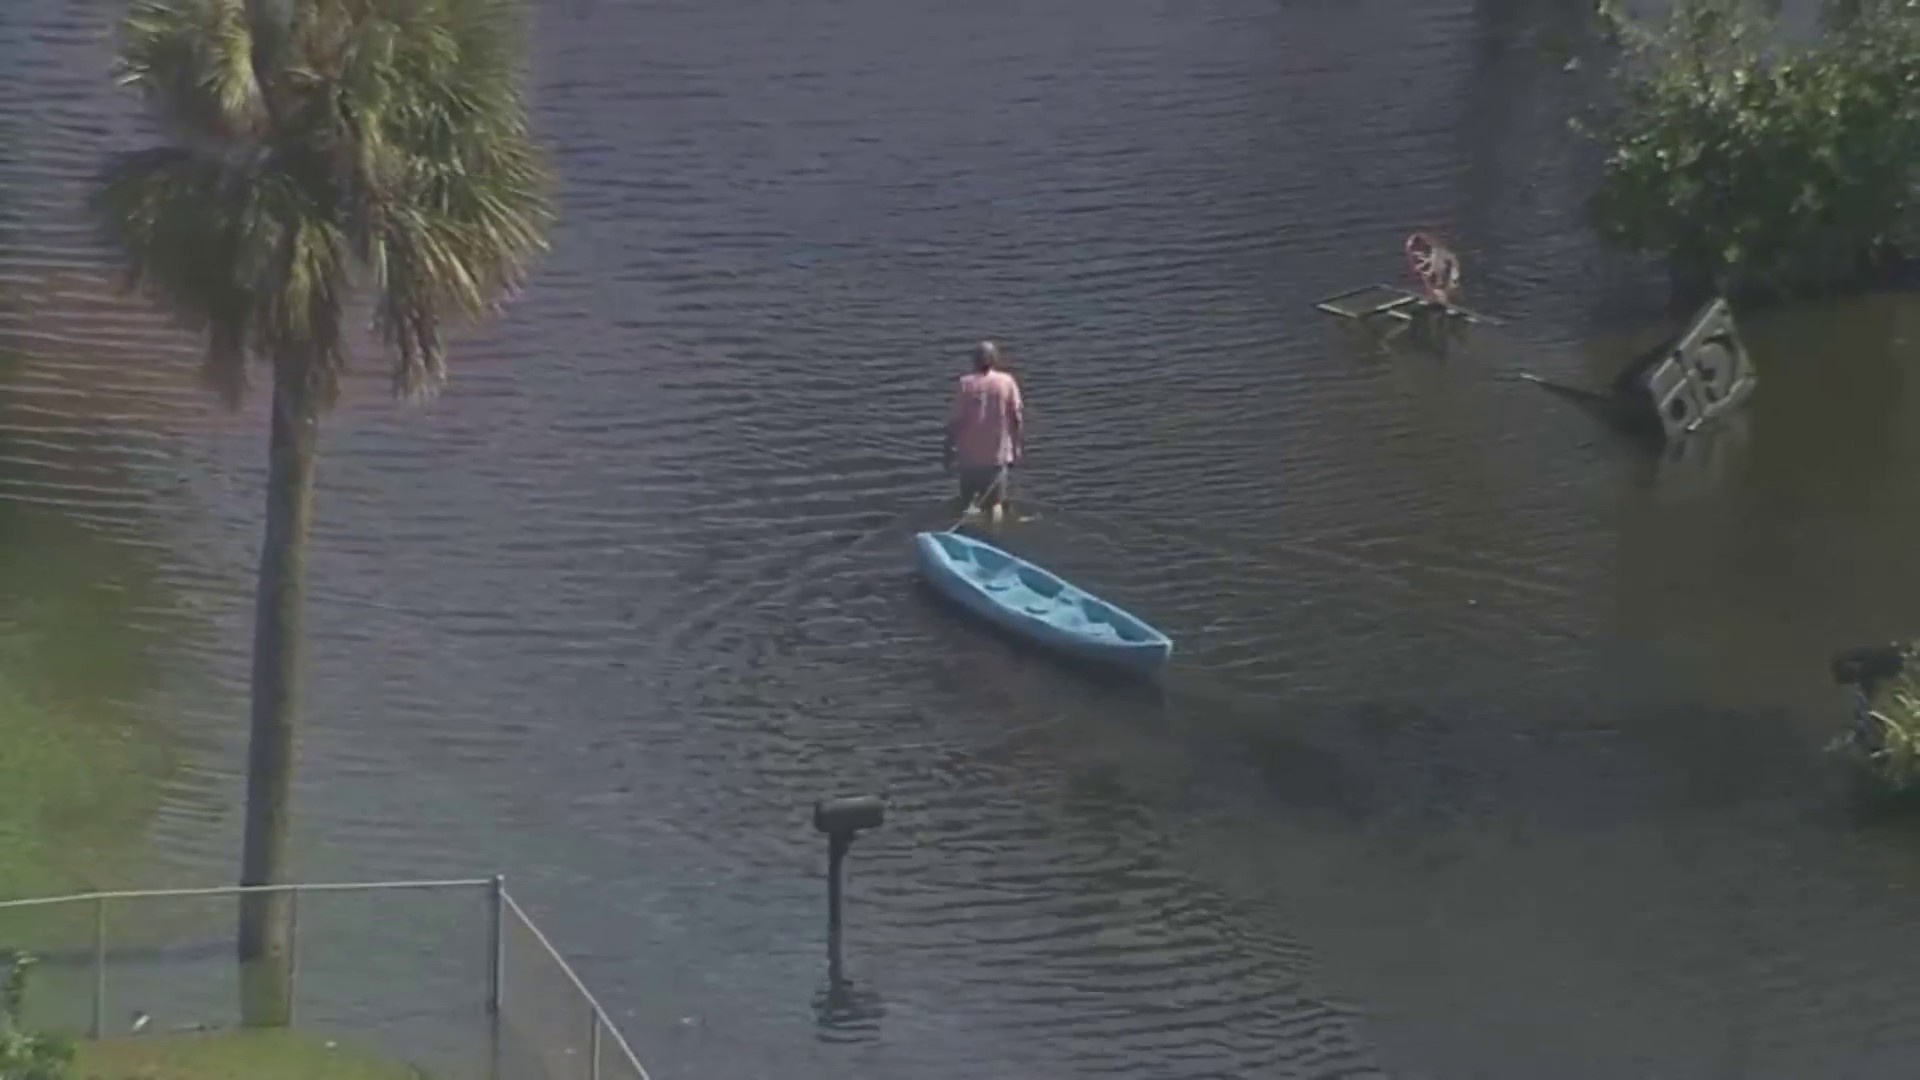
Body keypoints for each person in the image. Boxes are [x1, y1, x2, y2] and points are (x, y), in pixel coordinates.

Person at [943, 340, 1024, 528]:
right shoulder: (1007, 382)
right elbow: (1017, 417)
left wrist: (947, 450)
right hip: (997, 455)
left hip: (969, 457)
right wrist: (1017, 447)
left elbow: (955, 421)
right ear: (995, 359)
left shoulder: (965, 384)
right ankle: (995, 536)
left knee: (968, 504)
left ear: (974, 361)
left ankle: (968, 534)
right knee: (996, 504)